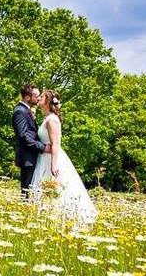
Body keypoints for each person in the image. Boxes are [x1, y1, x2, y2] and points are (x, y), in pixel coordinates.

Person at [30, 89, 98, 224]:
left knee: (55, 187)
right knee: (45, 189)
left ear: (48, 101)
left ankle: (60, 217)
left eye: (42, 97)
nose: (38, 98)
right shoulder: (46, 118)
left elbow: (55, 144)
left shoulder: (51, 120)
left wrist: (53, 164)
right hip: (44, 157)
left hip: (51, 159)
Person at [11, 83, 51, 199]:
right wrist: (43, 147)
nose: (38, 98)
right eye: (36, 96)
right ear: (27, 97)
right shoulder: (20, 111)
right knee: (27, 193)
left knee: (31, 192)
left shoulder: (26, 110)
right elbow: (24, 137)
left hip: (33, 157)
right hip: (27, 158)